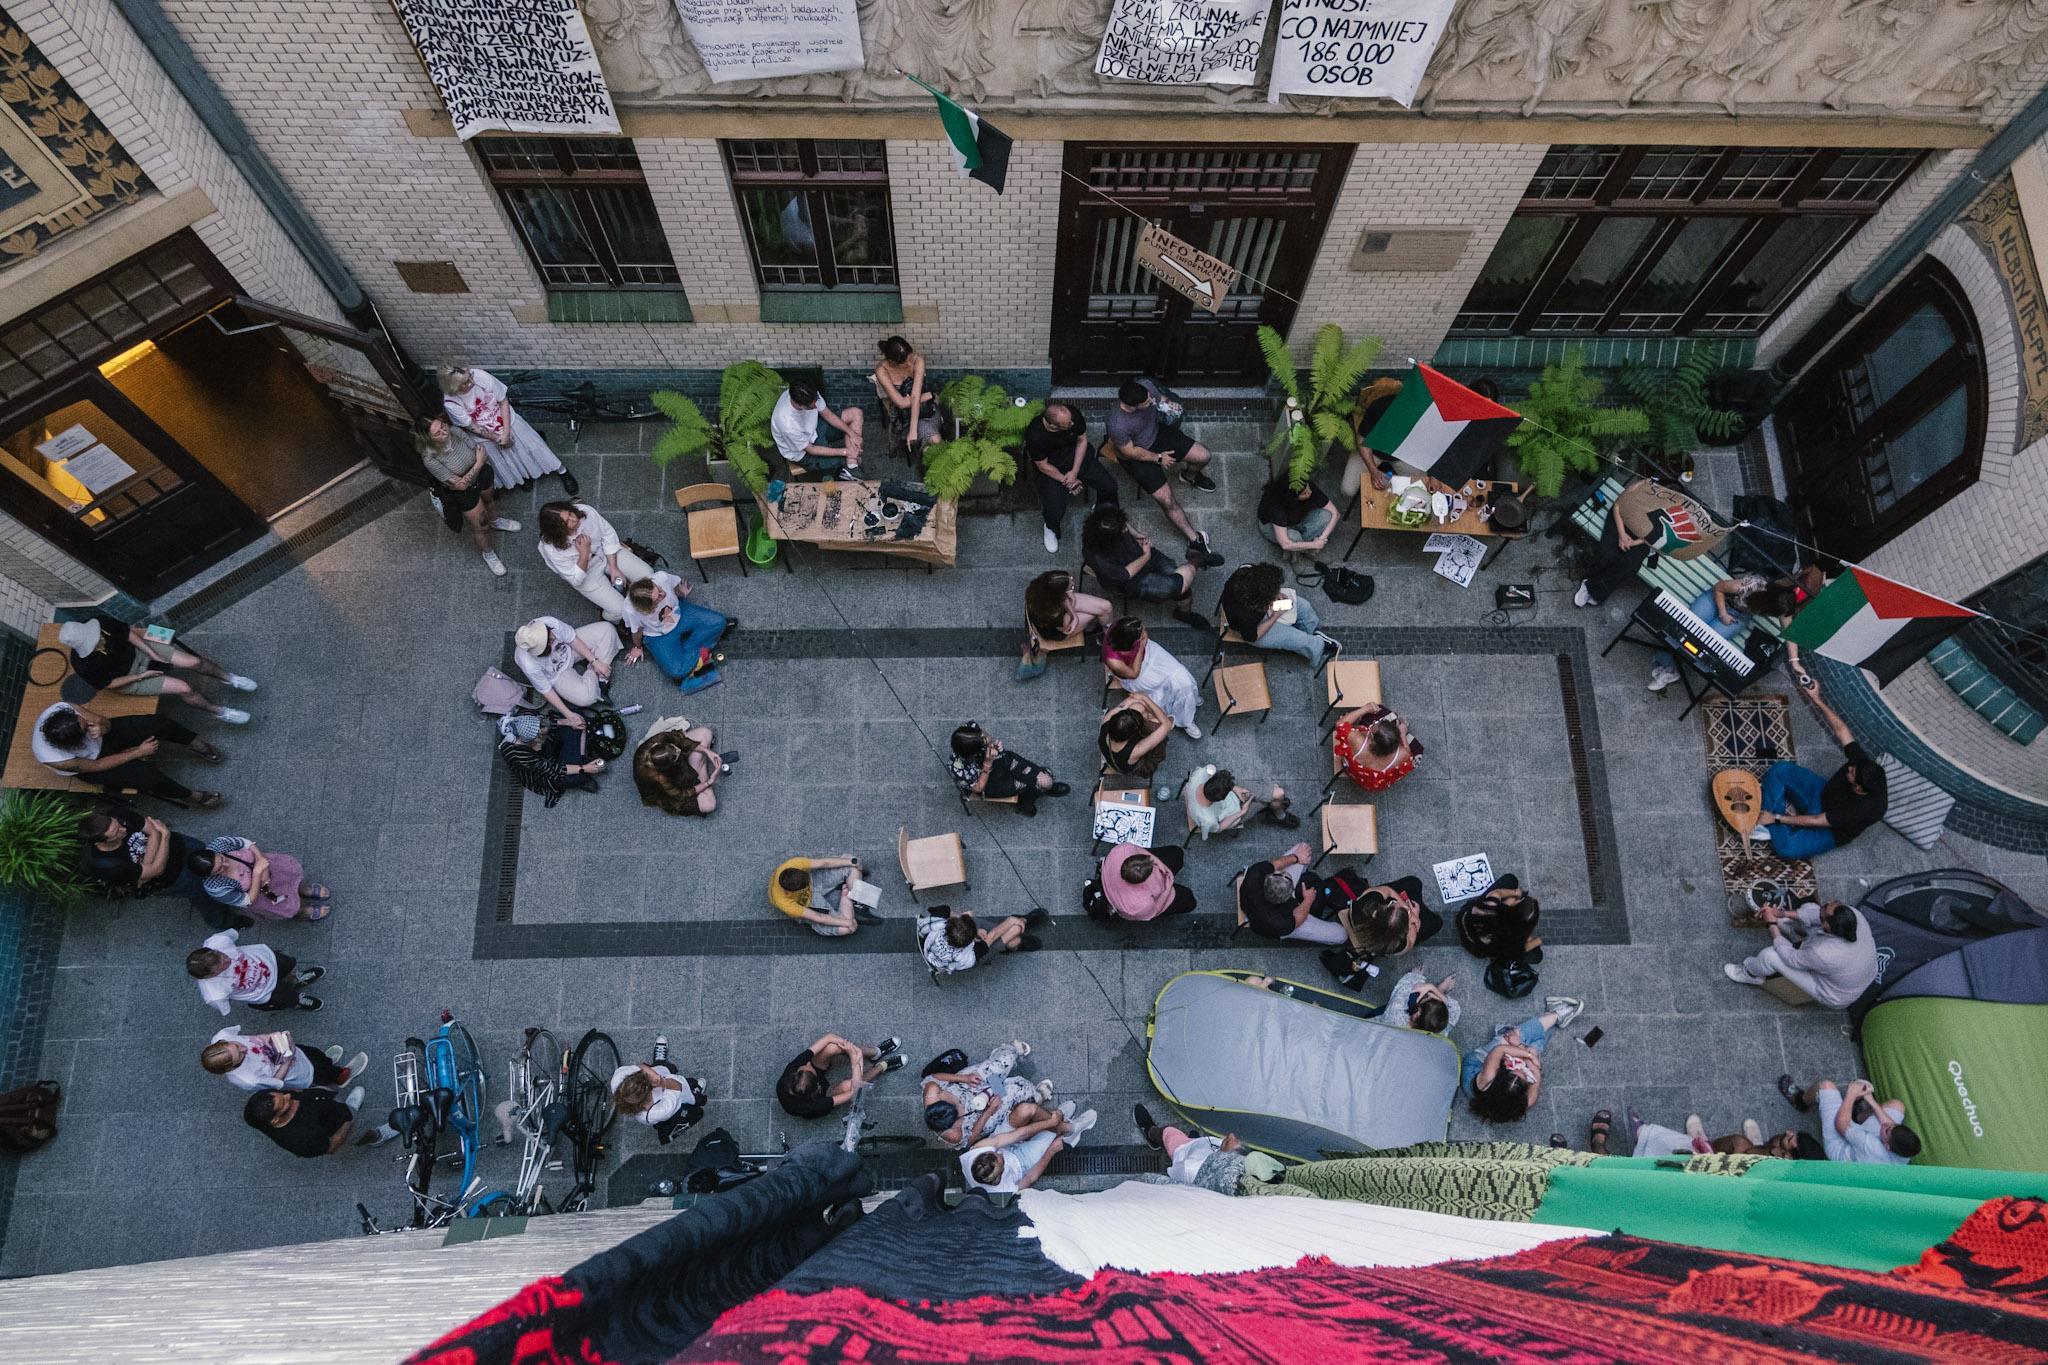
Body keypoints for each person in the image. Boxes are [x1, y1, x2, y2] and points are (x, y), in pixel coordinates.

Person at [1752, 667, 1887, 859]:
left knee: (1787, 849)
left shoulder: (1864, 809)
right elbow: (1842, 731)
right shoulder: (1864, 765)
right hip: (1821, 793)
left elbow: (1819, 820)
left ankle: (1770, 821)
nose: (1849, 767)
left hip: (1830, 829)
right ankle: (1772, 823)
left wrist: (1777, 817)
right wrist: (1817, 699)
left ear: (1858, 788)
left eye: (1852, 773)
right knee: (1780, 770)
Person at [1103, 378, 1219, 558]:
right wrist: (1158, 458)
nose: (1151, 400)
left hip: (1158, 435)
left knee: (1204, 456)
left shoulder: (1145, 387)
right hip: (1139, 456)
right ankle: (1194, 539)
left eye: (1149, 397)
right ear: (1132, 406)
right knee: (1167, 500)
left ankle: (1189, 475)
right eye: (1146, 402)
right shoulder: (1117, 423)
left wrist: (1168, 404)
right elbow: (1132, 452)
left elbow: (1161, 398)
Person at [57, 616, 253, 722]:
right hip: (130, 677)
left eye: (97, 634)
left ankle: (229, 678)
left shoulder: (101, 622)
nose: (100, 638)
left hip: (141, 652)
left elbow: (128, 634)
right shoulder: (83, 664)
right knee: (184, 688)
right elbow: (108, 684)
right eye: (94, 641)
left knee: (193, 662)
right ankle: (218, 712)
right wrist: (141, 676)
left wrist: (152, 653)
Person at [78, 807, 245, 928]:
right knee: (201, 894)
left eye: (118, 826)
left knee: (211, 861)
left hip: (182, 845)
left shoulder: (116, 814)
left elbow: (152, 830)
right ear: (102, 842)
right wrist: (163, 838)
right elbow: (157, 869)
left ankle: (231, 884)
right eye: (116, 833)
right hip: (174, 878)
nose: (123, 829)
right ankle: (221, 921)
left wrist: (149, 861)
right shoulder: (108, 864)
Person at [1573, 476, 1724, 608]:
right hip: (1622, 520)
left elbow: (1660, 534)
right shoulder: (1642, 488)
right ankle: (1589, 578)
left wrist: (1634, 542)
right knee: (1608, 554)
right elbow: (1618, 506)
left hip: (1646, 537)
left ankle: (1595, 589)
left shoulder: (1674, 510)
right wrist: (1622, 535)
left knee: (1630, 564)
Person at [33, 702, 221, 807]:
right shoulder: (58, 759)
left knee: (160, 723)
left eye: (81, 720)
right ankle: (190, 796)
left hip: (104, 737)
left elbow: (103, 721)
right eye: (84, 728)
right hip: (94, 762)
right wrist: (138, 752)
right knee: (150, 778)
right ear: (75, 742)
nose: (84, 721)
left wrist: (102, 727)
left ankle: (196, 744)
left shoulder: (61, 709)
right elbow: (97, 766)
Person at [1647, 574, 1801, 692]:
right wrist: (1723, 614)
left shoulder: (1781, 603)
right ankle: (1664, 661)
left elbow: (1789, 632)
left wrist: (1795, 661)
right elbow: (1719, 587)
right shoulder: (1752, 585)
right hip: (1717, 599)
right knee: (1686, 625)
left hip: (1739, 616)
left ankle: (1671, 669)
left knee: (1705, 641)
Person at [439, 361, 575, 492]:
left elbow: (503, 401)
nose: (472, 382)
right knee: (509, 459)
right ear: (454, 387)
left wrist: (506, 433)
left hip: (508, 420)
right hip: (485, 436)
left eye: (470, 377)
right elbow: (472, 426)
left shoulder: (480, 376)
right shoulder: (451, 403)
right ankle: (524, 476)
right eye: (465, 383)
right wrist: (498, 438)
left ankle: (561, 470)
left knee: (534, 446)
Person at [1723, 899, 1878, 1006]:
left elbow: (1791, 958)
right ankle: (1792, 933)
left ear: (1827, 927)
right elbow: (1817, 913)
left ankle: (1750, 974)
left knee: (1769, 956)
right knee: (1809, 906)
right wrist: (1781, 915)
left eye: (1826, 908)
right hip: (1855, 972)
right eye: (1830, 903)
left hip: (1835, 994)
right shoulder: (1853, 915)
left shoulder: (1823, 953)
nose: (1829, 902)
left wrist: (1771, 923)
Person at [417, 415, 519, 575]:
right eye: (437, 433)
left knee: (489, 501)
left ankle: (495, 521)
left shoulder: (455, 431)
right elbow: (460, 485)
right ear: (428, 439)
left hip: (482, 475)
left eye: (443, 426)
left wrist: (478, 463)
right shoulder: (430, 458)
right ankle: (488, 553)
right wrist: (478, 463)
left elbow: (479, 449)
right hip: (464, 492)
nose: (444, 432)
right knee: (481, 525)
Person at [1081, 506, 1213, 624]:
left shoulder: (1107, 521)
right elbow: (1125, 575)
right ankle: (1197, 559)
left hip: (1144, 555)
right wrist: (1146, 555)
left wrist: (1136, 534)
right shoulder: (1099, 558)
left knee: (1177, 579)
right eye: (1123, 529)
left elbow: (1123, 521)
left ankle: (1184, 613)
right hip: (1133, 581)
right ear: (1111, 540)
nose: (1126, 528)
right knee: (1177, 585)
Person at [1461, 999, 1583, 1123]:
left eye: (1514, 1071)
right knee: (1530, 1045)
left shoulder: (1487, 1078)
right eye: (1524, 1075)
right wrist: (1527, 1052)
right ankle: (1554, 1016)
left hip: (1476, 1064)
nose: (1520, 1069)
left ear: (1500, 1075)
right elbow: (1537, 1074)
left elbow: (1500, 1050)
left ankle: (1554, 1016)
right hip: (1489, 1083)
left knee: (1511, 1039)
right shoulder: (1528, 1101)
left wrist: (1524, 1051)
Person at [536, 501, 657, 623]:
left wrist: (614, 567)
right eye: (567, 521)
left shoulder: (585, 511)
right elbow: (575, 579)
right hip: (587, 574)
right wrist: (584, 554)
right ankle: (607, 616)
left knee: (649, 574)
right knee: (620, 611)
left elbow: (607, 533)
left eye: (570, 513)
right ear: (558, 530)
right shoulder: (551, 548)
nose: (574, 518)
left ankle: (626, 583)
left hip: (606, 553)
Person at [1023, 400, 1119, 554]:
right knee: (1055, 509)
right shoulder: (1035, 435)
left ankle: (1101, 511)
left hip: (1075, 457)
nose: (1073, 423)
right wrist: (1066, 481)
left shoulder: (1072, 414)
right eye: (1068, 423)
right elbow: (1043, 465)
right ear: (1053, 426)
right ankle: (1050, 527)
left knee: (1109, 486)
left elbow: (1082, 441)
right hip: (1052, 468)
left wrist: (1074, 472)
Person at [1322, 876, 1444, 985]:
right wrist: (1415, 916)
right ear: (1403, 930)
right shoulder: (1400, 945)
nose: (1395, 902)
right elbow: (1411, 940)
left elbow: (1387, 890)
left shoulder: (1367, 904)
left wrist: (1405, 908)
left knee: (1414, 883)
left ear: (1378, 911)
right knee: (1436, 923)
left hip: (1358, 925)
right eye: (1393, 902)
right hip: (1376, 940)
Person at [623, 573, 730, 695]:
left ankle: (686, 654)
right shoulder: (630, 610)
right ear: (646, 608)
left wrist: (681, 593)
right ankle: (696, 651)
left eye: (659, 590)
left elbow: (674, 587)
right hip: (659, 635)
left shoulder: (661, 577)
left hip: (680, 614)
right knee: (676, 671)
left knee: (718, 622)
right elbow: (637, 630)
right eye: (657, 598)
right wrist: (637, 647)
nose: (663, 595)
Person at [922, 1040, 1040, 1149]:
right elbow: (970, 1139)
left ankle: (1007, 1053)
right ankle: (1034, 1094)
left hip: (965, 1087)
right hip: (979, 1115)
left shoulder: (931, 1094)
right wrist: (989, 1111)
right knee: (1017, 1092)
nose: (958, 1107)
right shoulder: (951, 1134)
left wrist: (964, 1078)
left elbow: (933, 1077)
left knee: (1000, 1064)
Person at [961, 1100, 1097, 1194]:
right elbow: (1030, 1177)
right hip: (1021, 1164)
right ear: (999, 1175)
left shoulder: (975, 1152)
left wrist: (1051, 1122)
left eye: (997, 1154)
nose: (1001, 1154)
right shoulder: (1005, 1191)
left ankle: (1064, 1126)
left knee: (1026, 1110)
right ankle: (1066, 1124)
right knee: (1050, 1134)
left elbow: (1018, 1135)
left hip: (1004, 1141)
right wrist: (1051, 1151)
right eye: (1001, 1160)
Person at [1218, 563, 1340, 668]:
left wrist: (1275, 593)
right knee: (1296, 639)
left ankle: (1312, 632)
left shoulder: (1247, 571)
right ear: (1262, 602)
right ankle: (1317, 647)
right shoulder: (1246, 616)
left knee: (1305, 607)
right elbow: (1252, 636)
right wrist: (1276, 616)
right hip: (1253, 629)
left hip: (1258, 607)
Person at [187, 835, 332, 922]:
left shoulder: (218, 844)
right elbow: (247, 900)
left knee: (289, 879)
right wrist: (258, 873)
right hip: (262, 894)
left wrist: (260, 858)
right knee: (284, 905)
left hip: (272, 869)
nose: (225, 863)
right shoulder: (216, 888)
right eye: (219, 869)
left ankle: (300, 889)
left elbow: (247, 843)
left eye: (222, 858)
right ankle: (300, 911)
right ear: (209, 876)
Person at [1779, 1076, 1919, 1164]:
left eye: (1887, 1130)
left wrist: (1851, 1093)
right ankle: (1857, 1117)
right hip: (1863, 1142)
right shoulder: (1905, 1153)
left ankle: (1800, 1101)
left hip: (1840, 1145)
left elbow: (1841, 1125)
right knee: (1897, 1106)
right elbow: (1890, 1126)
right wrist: (1870, 1100)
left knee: (1826, 1086)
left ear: (1887, 1147)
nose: (1887, 1125)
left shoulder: (1869, 1145)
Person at [1104, 616, 1203, 739]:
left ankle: (1189, 699)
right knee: (1160, 688)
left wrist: (1141, 643)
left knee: (1181, 676)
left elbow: (1145, 636)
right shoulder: (1114, 661)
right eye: (1139, 636)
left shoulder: (1128, 627)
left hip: (1150, 653)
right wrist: (1140, 647)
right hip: (1136, 674)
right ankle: (1185, 720)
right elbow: (1134, 674)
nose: (1143, 633)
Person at [189, 928, 322, 1015]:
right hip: (263, 992)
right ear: (210, 975)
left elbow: (232, 934)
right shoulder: (214, 993)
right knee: (285, 998)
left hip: (267, 960)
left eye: (219, 954)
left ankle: (294, 980)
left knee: (287, 966)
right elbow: (223, 1005)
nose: (226, 958)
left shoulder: (217, 942)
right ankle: (296, 1000)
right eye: (221, 966)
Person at [513, 615, 621, 721]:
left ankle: (599, 677)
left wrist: (594, 661)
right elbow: (546, 690)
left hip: (570, 649)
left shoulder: (548, 622)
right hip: (558, 674)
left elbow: (572, 639)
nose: (554, 637)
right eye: (549, 641)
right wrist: (569, 715)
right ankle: (596, 672)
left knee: (608, 630)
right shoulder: (527, 663)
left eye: (549, 633)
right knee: (586, 698)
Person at [950, 722, 1069, 817]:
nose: (985, 737)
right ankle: (1026, 800)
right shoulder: (958, 768)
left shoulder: (971, 728)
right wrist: (987, 763)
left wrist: (994, 746)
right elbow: (979, 787)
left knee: (1046, 781)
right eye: (983, 741)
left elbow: (989, 738)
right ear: (972, 754)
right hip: (989, 782)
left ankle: (1037, 791)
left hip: (1000, 760)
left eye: (982, 735)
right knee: (1038, 783)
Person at [1234, 844, 1345, 945]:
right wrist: (1308, 900)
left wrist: (1296, 858)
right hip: (1276, 926)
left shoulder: (1255, 875)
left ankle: (1301, 861)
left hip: (1255, 907)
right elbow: (1298, 918)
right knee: (1342, 935)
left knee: (1303, 849)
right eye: (1284, 874)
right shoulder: (1280, 922)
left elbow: (1275, 864)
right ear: (1291, 895)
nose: (1284, 872)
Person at [203, 1026, 366, 1093]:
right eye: (240, 1056)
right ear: (230, 1067)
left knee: (315, 1055)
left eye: (236, 1045)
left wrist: (270, 1037)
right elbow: (277, 1082)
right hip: (298, 1072)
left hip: (292, 1050)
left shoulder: (222, 1036)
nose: (244, 1048)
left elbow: (253, 1038)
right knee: (320, 1072)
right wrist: (287, 1060)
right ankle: (339, 1077)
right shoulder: (247, 1079)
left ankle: (326, 1064)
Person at [776, 1034, 904, 1119]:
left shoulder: (792, 1073)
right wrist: (855, 1062)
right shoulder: (816, 1105)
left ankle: (876, 1052)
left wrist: (850, 1049)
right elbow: (854, 1092)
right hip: (824, 1094)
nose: (808, 1062)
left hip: (813, 1085)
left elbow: (828, 1038)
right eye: (809, 1067)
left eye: (805, 1066)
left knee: (832, 1047)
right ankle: (881, 1067)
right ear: (816, 1086)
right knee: (848, 1086)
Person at [245, 1087, 396, 1158]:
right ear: (276, 1120)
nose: (289, 1095)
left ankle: (349, 1107)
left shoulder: (255, 1111)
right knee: (358, 1133)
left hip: (327, 1105)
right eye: (285, 1104)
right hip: (339, 1125)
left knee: (344, 1108)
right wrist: (347, 1122)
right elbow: (331, 1146)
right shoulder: (300, 1140)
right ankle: (376, 1137)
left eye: (283, 1095)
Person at [609, 1036, 708, 1143]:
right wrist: (662, 1082)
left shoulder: (619, 1080)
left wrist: (653, 1074)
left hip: (662, 1078)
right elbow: (677, 1086)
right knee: (690, 1099)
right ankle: (695, 1092)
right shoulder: (658, 1111)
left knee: (661, 1068)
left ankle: (660, 1062)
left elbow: (641, 1066)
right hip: (674, 1097)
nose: (649, 1076)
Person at [1133, 1103, 1247, 1195]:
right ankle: (1194, 1138)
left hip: (1183, 1149)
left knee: (1169, 1132)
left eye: (1228, 1141)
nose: (1231, 1135)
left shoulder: (1189, 1168)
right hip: (1198, 1146)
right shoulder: (1235, 1165)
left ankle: (1150, 1133)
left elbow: (1174, 1171)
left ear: (1223, 1158)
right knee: (1195, 1137)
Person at [498, 712, 603, 807]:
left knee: (576, 721)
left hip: (545, 750)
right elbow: (553, 769)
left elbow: (546, 724)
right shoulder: (519, 756)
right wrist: (583, 768)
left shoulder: (524, 719)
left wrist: (567, 722)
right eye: (540, 736)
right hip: (541, 774)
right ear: (530, 741)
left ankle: (579, 759)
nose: (543, 733)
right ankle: (580, 767)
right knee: (571, 777)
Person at [633, 717, 730, 816]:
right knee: (709, 804)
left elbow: (680, 741)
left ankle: (701, 767)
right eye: (676, 756)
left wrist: (707, 752)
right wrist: (709, 782)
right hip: (676, 784)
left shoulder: (658, 740)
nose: (679, 750)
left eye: (673, 747)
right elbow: (681, 794)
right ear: (667, 767)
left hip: (681, 765)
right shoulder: (660, 779)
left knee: (706, 733)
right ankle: (702, 771)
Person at [771, 379, 864, 480]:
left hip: (815, 428)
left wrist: (852, 433)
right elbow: (811, 449)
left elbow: (827, 414)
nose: (816, 405)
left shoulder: (809, 392)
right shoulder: (786, 423)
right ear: (800, 406)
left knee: (856, 413)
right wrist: (846, 451)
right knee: (844, 460)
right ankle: (850, 466)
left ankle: (851, 466)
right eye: (812, 406)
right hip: (802, 452)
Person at [770, 855, 884, 936]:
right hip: (806, 903)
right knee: (849, 928)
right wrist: (846, 922)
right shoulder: (783, 902)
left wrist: (853, 862)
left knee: (852, 864)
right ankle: (848, 898)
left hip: (814, 880)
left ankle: (857, 903)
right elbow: (818, 917)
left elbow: (824, 863)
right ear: (793, 890)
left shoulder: (793, 864)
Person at [916, 906, 1047, 976]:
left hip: (933, 950)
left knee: (1013, 932)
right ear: (971, 942)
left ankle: (1019, 931)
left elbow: (952, 914)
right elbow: (991, 937)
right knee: (1015, 932)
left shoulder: (936, 920)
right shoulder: (968, 957)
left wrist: (971, 928)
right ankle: (1019, 934)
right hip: (976, 956)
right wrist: (1011, 920)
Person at [1184, 763, 1297, 837]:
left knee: (1277, 793)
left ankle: (1275, 807)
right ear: (1222, 799)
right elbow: (1219, 828)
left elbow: (1211, 776)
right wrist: (1242, 812)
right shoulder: (1208, 820)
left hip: (1228, 795)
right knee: (1277, 795)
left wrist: (1235, 788)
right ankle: (1277, 813)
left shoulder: (1198, 776)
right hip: (1234, 813)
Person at [1332, 701, 1423, 793]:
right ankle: (1398, 725)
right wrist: (1403, 734)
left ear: (1372, 738)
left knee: (1377, 712)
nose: (1375, 722)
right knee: (1418, 749)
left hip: (1351, 769)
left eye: (1374, 726)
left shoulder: (1357, 740)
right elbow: (1408, 754)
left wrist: (1365, 709)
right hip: (1369, 781)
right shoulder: (1401, 754)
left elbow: (1340, 724)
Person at [873, 336, 942, 455]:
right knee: (896, 447)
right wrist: (928, 395)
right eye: (905, 362)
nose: (910, 363)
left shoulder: (918, 360)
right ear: (892, 362)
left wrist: (913, 430)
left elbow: (915, 396)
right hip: (900, 415)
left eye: (910, 357)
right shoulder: (882, 370)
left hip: (923, 410)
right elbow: (900, 402)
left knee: (934, 440)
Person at [1456, 875, 1543, 968]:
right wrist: (1537, 941)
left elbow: (1498, 893)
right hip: (1477, 949)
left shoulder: (1491, 904)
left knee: (1511, 880)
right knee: (1537, 955)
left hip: (1463, 920)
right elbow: (1520, 950)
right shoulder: (1513, 938)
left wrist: (1516, 894)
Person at [1099, 843, 1196, 921]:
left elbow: (1143, 853)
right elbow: (1156, 910)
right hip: (1148, 902)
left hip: (1110, 880)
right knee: (1189, 900)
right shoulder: (1139, 905)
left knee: (1176, 853)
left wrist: (1160, 864)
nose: (1154, 866)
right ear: (1143, 880)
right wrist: (1167, 889)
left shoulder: (1122, 850)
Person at [1257, 475, 1338, 560]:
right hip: (1274, 527)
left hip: (1297, 517)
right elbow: (1285, 544)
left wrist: (1321, 539)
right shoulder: (1275, 507)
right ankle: (1297, 557)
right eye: (1304, 493)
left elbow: (1335, 513)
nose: (1310, 492)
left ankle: (1301, 547)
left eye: (1308, 488)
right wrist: (1314, 545)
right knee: (1293, 536)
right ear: (1292, 497)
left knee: (1326, 516)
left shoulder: (1302, 485)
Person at [1025, 569, 1114, 646]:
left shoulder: (1041, 587)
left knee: (1106, 606)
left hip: (1059, 609)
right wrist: (1073, 617)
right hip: (1058, 629)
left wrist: (1074, 615)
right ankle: (1107, 638)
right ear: (1059, 593)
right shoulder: (1051, 614)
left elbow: (1062, 598)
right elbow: (1064, 628)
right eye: (1070, 587)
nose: (1073, 583)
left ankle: (1107, 631)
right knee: (1096, 613)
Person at [1098, 693, 1172, 780]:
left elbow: (1129, 700)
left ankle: (1150, 716)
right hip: (1137, 766)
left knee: (1138, 706)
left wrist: (1140, 701)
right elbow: (1167, 724)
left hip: (1114, 751)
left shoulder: (1107, 719)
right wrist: (1145, 698)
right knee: (1157, 725)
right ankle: (1153, 717)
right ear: (1135, 734)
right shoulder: (1135, 750)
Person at [1379, 969, 1459, 1034]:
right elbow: (1455, 1010)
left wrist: (1418, 978)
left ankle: (1438, 989)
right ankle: (1441, 990)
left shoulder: (1396, 1011)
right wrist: (1434, 990)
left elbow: (1405, 985)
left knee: (1415, 986)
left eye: (1428, 997)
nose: (1429, 995)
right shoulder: (1438, 1033)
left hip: (1385, 1027)